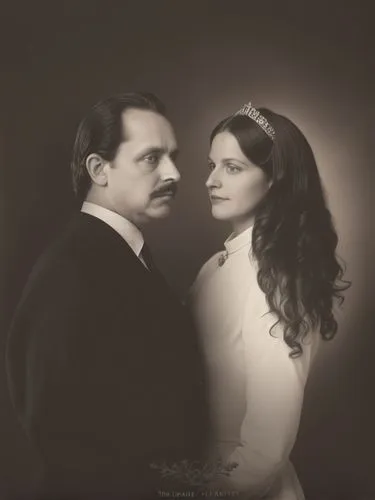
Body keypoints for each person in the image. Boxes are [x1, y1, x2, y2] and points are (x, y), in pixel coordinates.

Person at [6, 92, 209, 500]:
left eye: (173, 156)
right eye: (152, 158)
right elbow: (61, 437)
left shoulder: (121, 255)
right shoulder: (72, 270)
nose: (173, 173)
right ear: (99, 169)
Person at [189, 102, 350, 499]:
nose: (212, 180)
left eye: (232, 167)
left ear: (274, 179)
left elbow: (266, 446)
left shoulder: (274, 278)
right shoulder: (215, 266)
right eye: (211, 165)